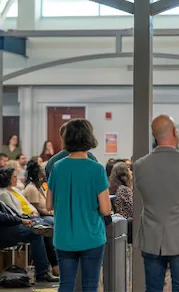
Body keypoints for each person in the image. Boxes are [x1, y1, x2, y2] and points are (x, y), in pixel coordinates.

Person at [133, 115, 179, 292]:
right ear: (175, 132)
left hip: (151, 237)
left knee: (153, 287)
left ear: (153, 135)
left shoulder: (140, 165)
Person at [47, 119, 111, 292]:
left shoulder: (57, 167)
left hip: (64, 236)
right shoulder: (97, 169)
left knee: (66, 284)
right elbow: (106, 209)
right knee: (90, 285)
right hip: (91, 235)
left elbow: (49, 204)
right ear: (89, 138)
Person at [0, 172, 58, 282]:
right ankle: (43, 273)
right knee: (36, 233)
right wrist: (21, 220)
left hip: (4, 229)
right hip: (1, 234)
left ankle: (50, 267)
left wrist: (23, 219)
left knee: (41, 228)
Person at [24, 160, 54, 225]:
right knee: (58, 222)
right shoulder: (32, 188)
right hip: (40, 217)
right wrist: (53, 213)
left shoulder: (40, 187)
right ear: (40, 176)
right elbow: (37, 210)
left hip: (47, 215)